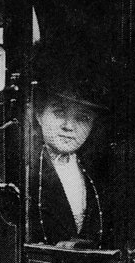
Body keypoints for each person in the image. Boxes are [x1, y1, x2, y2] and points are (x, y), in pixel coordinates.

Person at [31, 71, 106, 248]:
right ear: (39, 115)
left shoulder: (96, 170)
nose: (69, 126)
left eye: (82, 118)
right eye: (59, 112)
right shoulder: (28, 169)